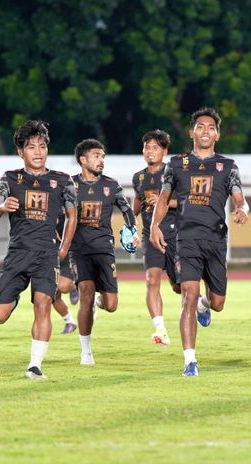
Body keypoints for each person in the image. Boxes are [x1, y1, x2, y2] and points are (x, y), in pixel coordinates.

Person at [150, 107, 249, 377]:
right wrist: (154, 226)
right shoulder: (176, 164)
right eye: (200, 126)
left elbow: (240, 197)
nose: (205, 131)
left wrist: (242, 209)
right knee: (188, 296)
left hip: (216, 240)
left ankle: (206, 306)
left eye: (211, 127)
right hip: (186, 239)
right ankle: (190, 361)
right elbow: (163, 197)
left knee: (217, 302)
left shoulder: (228, 166)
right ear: (192, 131)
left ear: (217, 134)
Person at [0, 120, 77, 380]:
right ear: (20, 152)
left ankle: (35, 365)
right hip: (17, 253)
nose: (37, 151)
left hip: (47, 254)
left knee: (43, 304)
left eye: (42, 146)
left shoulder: (62, 180)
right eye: (31, 147)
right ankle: (13, 298)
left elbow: (72, 216)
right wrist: (2, 208)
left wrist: (63, 249)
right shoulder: (10, 178)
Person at [70, 138, 139, 366]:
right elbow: (58, 215)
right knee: (85, 296)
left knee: (111, 305)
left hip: (104, 250)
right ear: (83, 159)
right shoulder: (70, 185)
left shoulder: (111, 185)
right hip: (79, 251)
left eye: (103, 156)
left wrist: (132, 230)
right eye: (96, 156)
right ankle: (85, 351)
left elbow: (127, 209)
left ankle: (100, 302)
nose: (101, 160)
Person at [132, 129, 181, 346]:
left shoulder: (175, 173)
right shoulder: (138, 177)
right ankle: (160, 329)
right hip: (149, 235)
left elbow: (186, 202)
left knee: (179, 285)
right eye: (146, 147)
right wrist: (129, 227)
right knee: (152, 280)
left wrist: (162, 201)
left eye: (155, 147)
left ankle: (200, 304)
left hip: (174, 233)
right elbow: (134, 207)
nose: (150, 151)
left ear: (164, 150)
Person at [52, 207, 79, 334]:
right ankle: (70, 322)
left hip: (64, 248)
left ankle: (75, 287)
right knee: (51, 293)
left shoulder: (64, 203)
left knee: (62, 286)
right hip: (45, 250)